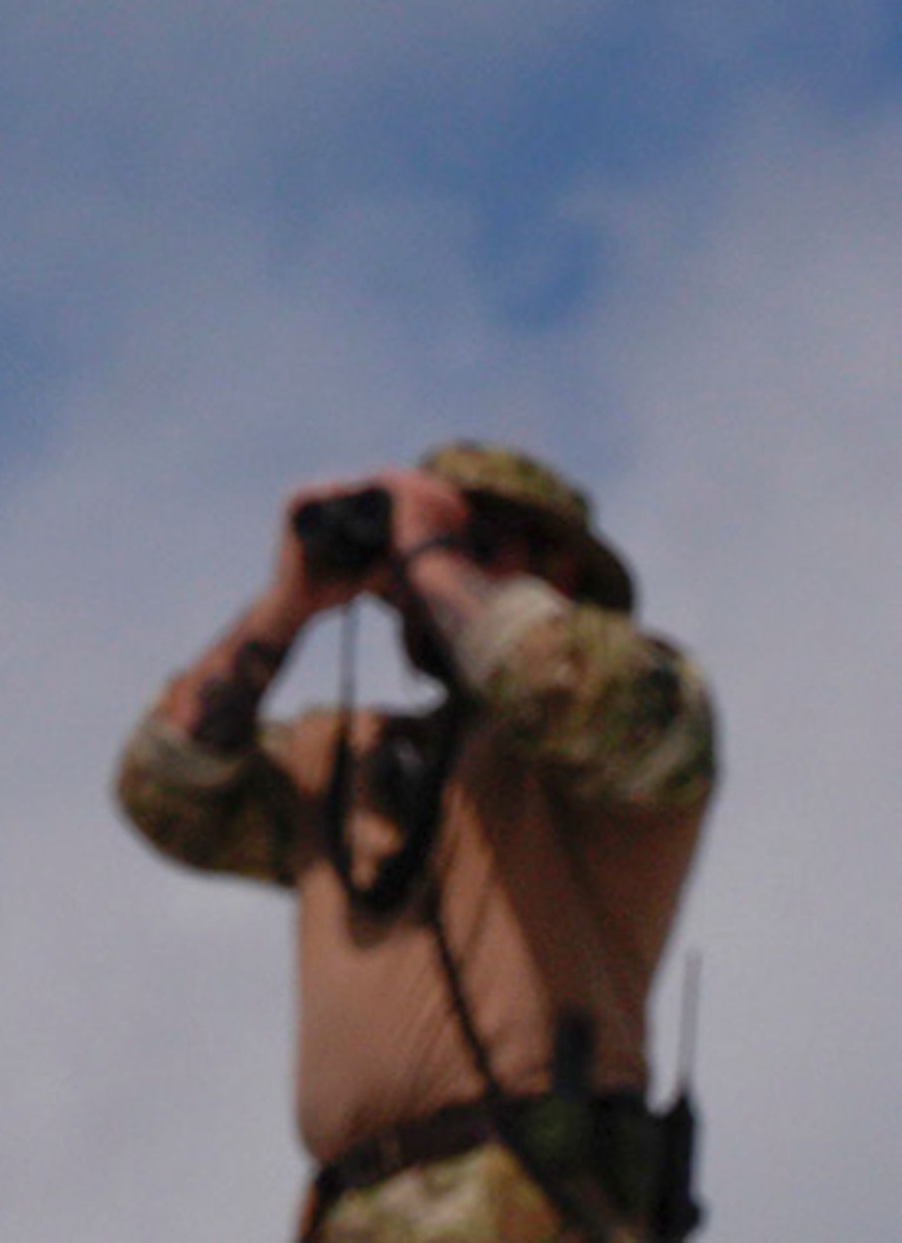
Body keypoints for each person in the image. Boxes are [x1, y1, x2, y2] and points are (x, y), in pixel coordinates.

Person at [116, 444, 715, 1242]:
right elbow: (164, 787)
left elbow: (572, 688)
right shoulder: (346, 757)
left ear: (562, 572)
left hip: (533, 1200)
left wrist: (433, 560)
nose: (417, 567)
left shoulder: (630, 718)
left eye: (481, 540)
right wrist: (289, 604)